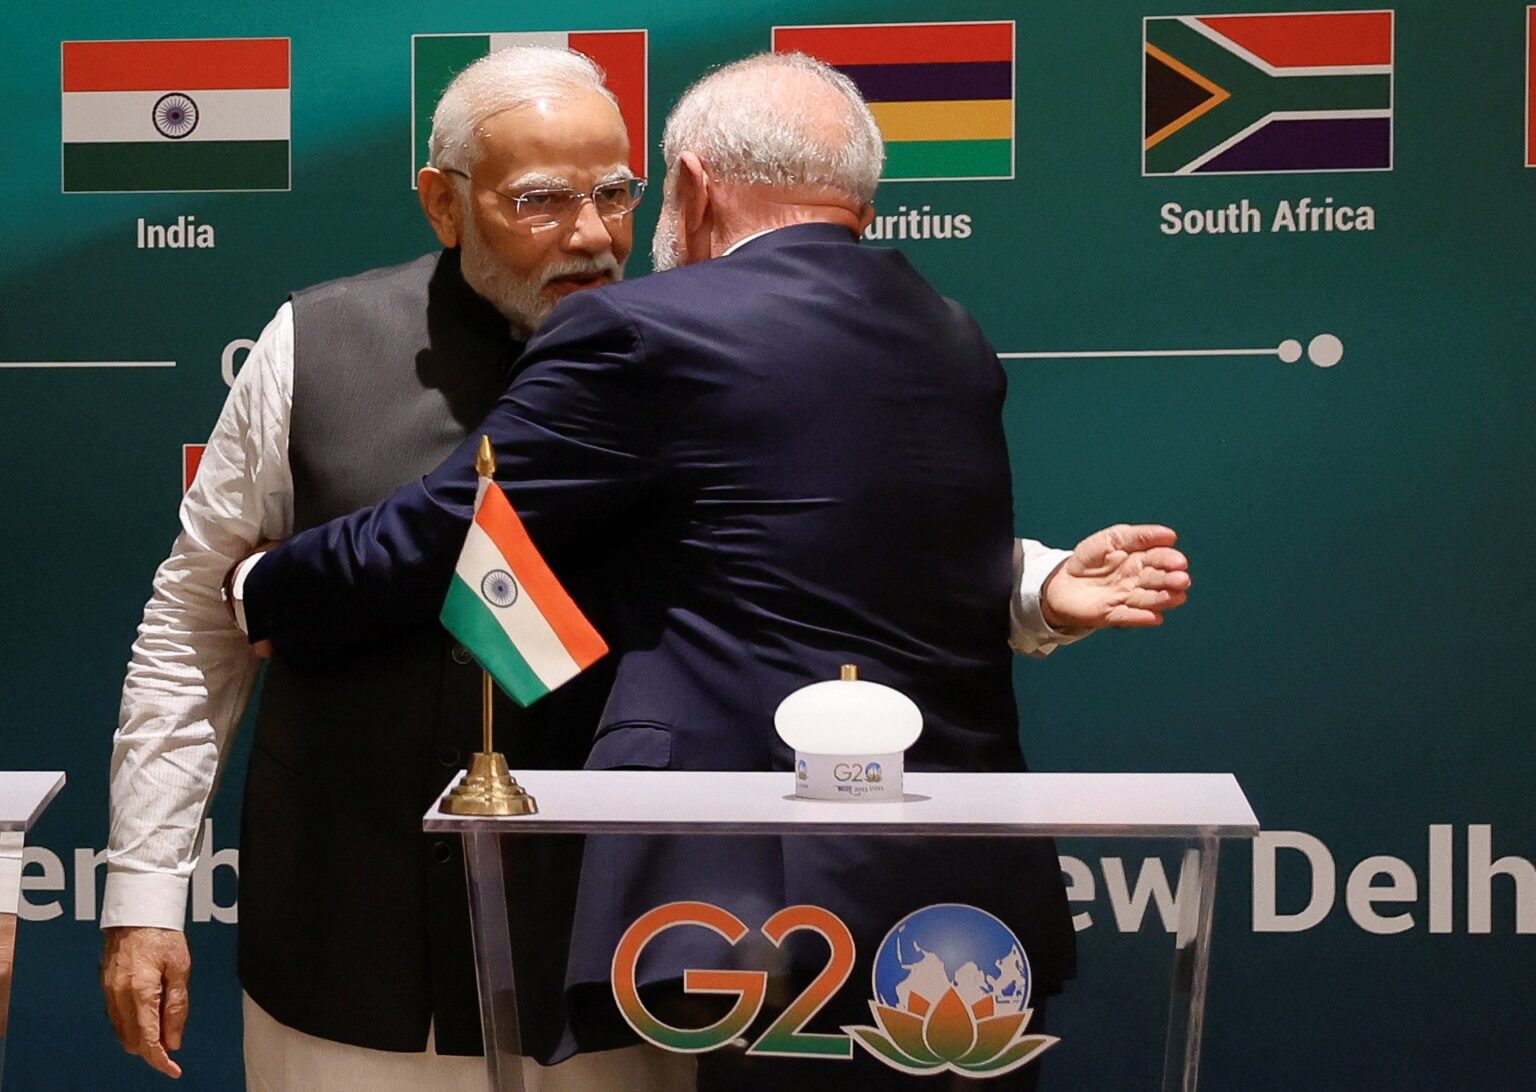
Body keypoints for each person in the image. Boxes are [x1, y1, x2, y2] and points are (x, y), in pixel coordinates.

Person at [234, 52, 1191, 1090]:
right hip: (961, 903)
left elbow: (453, 529)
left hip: (755, 914)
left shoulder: (641, 331)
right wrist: (1036, 589)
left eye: (625, 193)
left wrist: (261, 592)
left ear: (691, 186)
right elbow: (825, 543)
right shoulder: (949, 332)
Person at [100, 46, 696, 1091]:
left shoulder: (694, 358)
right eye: (541, 201)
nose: (593, 236)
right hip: (340, 965)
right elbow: (194, 621)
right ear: (443, 202)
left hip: (614, 973)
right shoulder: (312, 343)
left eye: (614, 193)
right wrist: (146, 892)